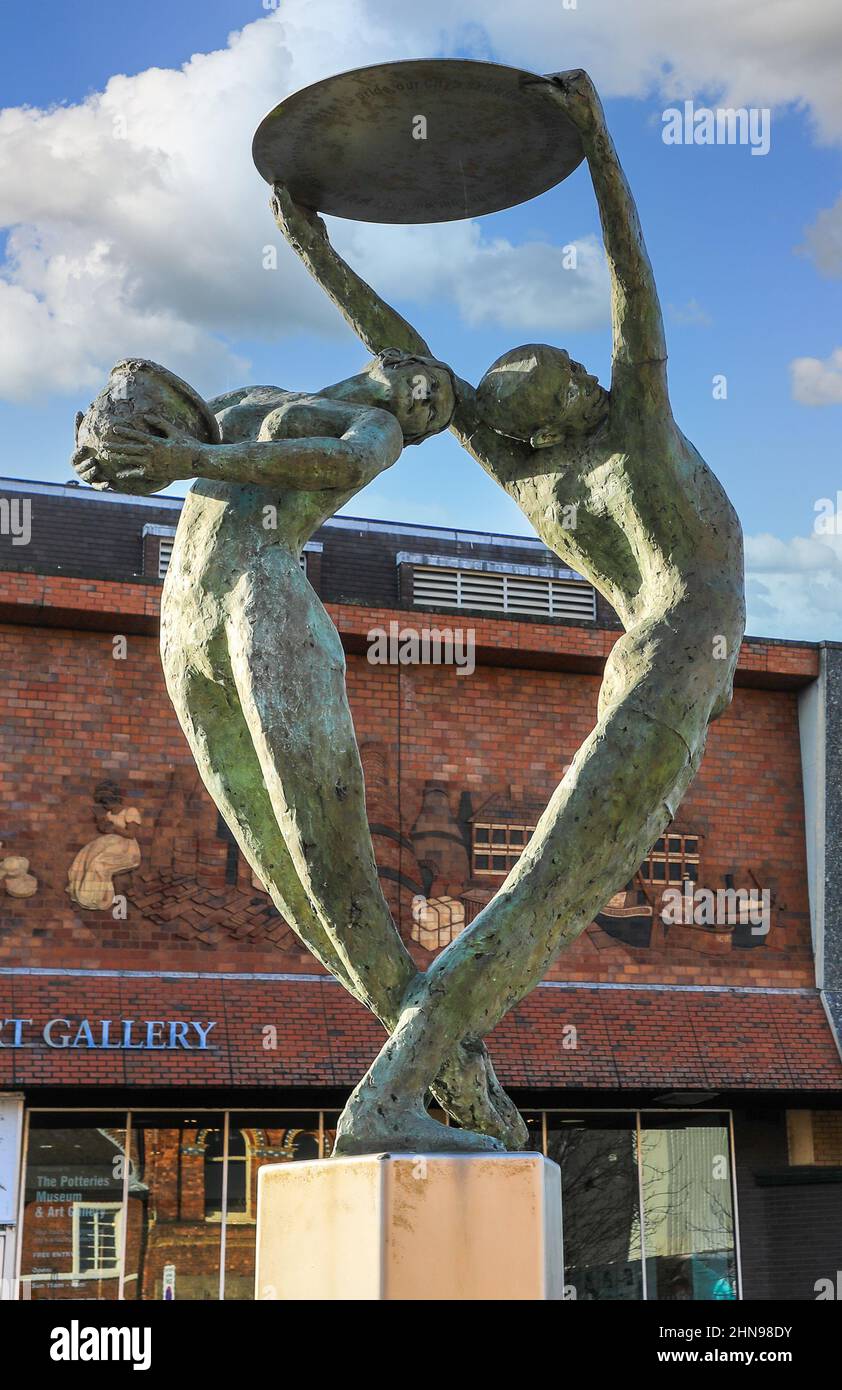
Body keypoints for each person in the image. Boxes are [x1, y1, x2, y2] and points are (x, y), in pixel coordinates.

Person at [272, 69, 746, 1154]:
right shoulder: (630, 438)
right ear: (566, 404)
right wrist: (594, 139)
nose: (588, 376)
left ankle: (448, 1095)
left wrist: (317, 251)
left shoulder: (541, 464)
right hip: (665, 676)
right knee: (537, 900)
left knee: (548, 901)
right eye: (572, 378)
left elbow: (414, 360)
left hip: (658, 676)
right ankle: (390, 1100)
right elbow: (633, 288)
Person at [73, 349, 526, 1148]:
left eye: (432, 414)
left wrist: (192, 460)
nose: (423, 410)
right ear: (391, 358)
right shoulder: (255, 394)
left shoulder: (373, 426)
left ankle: (423, 1091)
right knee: (283, 876)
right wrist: (106, 452)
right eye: (428, 391)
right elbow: (154, 436)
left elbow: (342, 459)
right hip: (183, 625)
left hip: (262, 602)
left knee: (330, 862)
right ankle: (446, 1075)